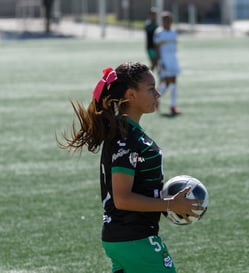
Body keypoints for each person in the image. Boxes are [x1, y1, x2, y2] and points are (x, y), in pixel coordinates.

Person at [58, 62, 203, 273]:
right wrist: (170, 204)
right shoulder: (126, 138)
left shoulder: (128, 133)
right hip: (134, 239)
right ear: (131, 94)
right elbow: (122, 198)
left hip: (126, 238)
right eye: (150, 88)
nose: (158, 94)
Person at [154, 11, 181, 115]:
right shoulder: (159, 32)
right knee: (167, 83)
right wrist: (160, 61)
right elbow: (157, 48)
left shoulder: (174, 32)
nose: (167, 22)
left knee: (174, 83)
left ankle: (173, 106)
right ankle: (156, 99)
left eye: (169, 20)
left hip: (173, 60)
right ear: (162, 21)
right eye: (165, 20)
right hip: (164, 60)